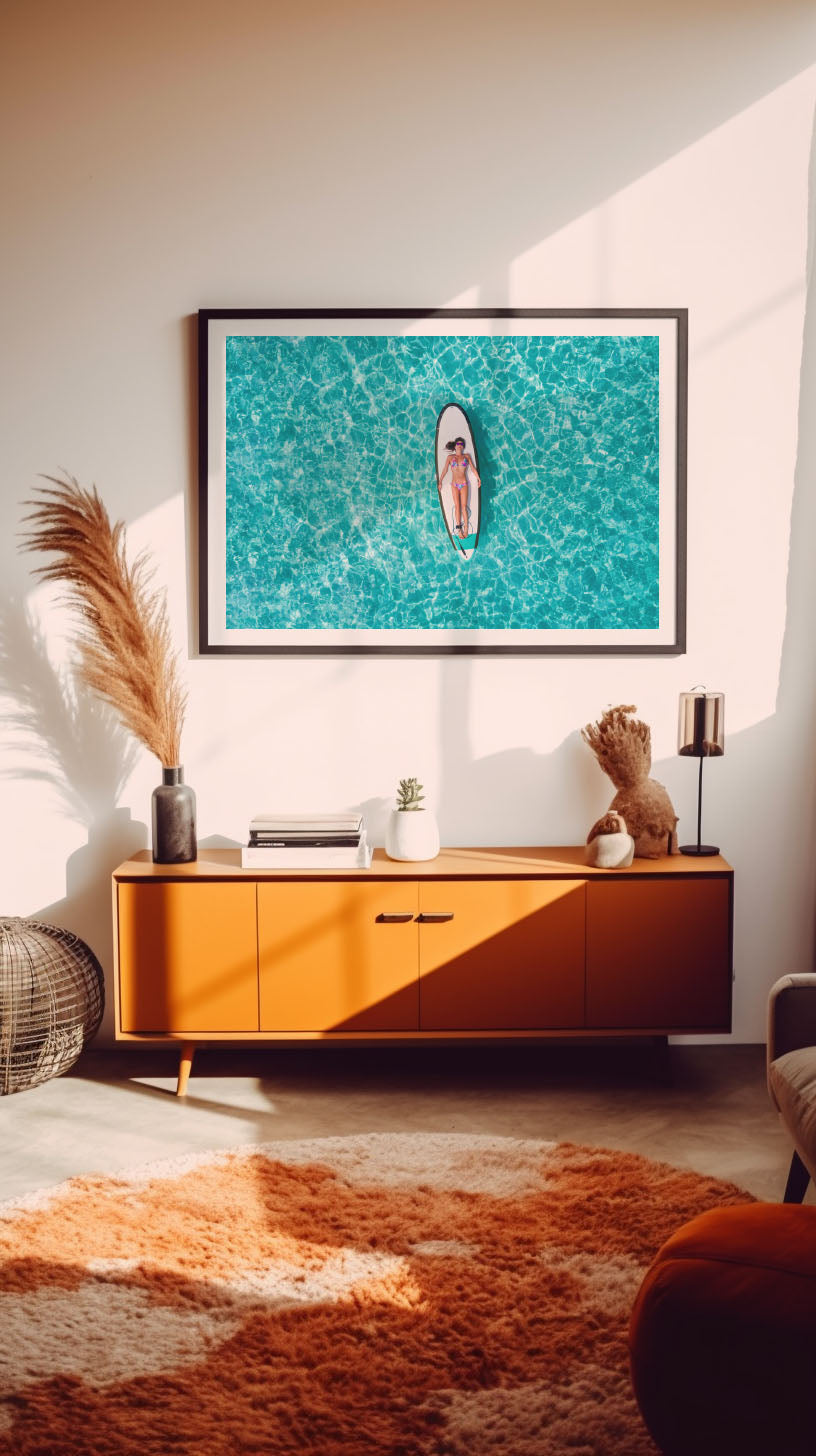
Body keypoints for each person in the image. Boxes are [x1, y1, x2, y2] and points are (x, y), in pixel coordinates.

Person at [439, 436, 480, 537]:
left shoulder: (466, 457)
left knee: (464, 507)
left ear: (463, 447)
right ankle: (459, 530)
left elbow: (473, 468)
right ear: (455, 446)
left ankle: (466, 528)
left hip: (464, 484)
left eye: (462, 444)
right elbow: (445, 470)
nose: (460, 446)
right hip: (454, 485)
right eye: (458, 444)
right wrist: (440, 481)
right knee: (457, 507)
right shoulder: (450, 458)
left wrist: (479, 478)